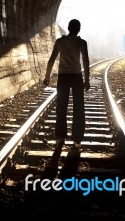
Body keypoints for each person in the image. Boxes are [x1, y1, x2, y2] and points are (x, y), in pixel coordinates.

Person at [43, 19, 90, 167]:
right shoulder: (82, 43)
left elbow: (51, 60)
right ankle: (76, 142)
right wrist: (87, 80)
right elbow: (86, 61)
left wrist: (47, 77)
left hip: (63, 77)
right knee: (78, 109)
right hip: (76, 77)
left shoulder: (59, 42)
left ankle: (60, 138)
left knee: (61, 109)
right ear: (79, 29)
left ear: (68, 28)